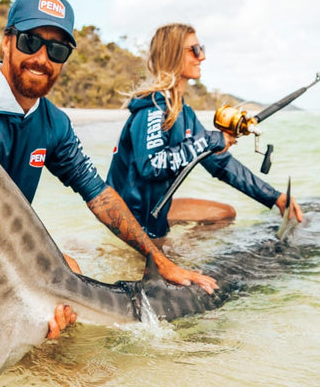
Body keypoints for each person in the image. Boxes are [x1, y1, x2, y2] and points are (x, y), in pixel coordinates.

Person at [0, 0, 218, 339]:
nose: (41, 58)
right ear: (6, 43)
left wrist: (160, 263)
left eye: (56, 50)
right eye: (30, 41)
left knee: (64, 289)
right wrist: (45, 276)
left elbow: (98, 194)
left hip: (2, 240)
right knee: (60, 283)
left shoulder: (53, 123)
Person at [106, 22, 303, 240]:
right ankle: (168, 254)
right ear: (172, 55)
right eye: (195, 50)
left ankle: (184, 251)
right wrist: (210, 140)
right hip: (130, 218)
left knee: (224, 214)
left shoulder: (183, 112)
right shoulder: (153, 109)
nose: (202, 57)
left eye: (202, 49)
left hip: (154, 211)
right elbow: (152, 165)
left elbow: (219, 163)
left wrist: (274, 197)